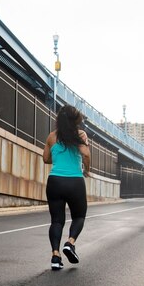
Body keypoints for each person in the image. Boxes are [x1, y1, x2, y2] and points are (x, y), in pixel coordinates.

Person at [42, 105, 91, 270]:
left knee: (56, 221)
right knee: (79, 216)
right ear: (75, 120)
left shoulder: (51, 137)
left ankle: (55, 256)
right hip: (74, 182)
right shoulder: (80, 135)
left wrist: (58, 157)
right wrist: (87, 170)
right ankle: (70, 243)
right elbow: (86, 154)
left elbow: (46, 159)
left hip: (55, 181)